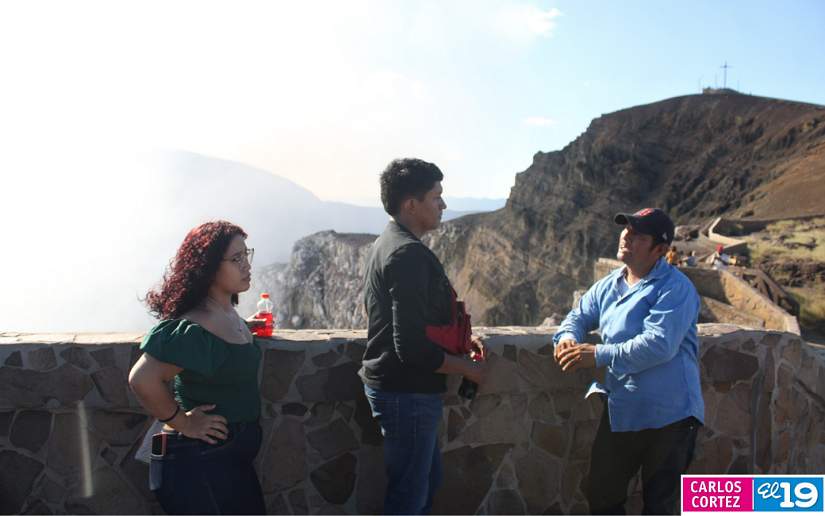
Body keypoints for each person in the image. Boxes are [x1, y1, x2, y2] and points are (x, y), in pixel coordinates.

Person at [553, 208, 704, 515]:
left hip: (670, 417)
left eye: (638, 235)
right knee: (602, 496)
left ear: (660, 250)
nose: (626, 237)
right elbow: (578, 316)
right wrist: (567, 337)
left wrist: (598, 354)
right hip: (623, 410)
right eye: (626, 230)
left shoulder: (676, 288)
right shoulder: (610, 284)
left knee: (659, 506)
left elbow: (658, 345)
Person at [360, 158, 487, 515]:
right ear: (411, 205)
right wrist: (467, 367)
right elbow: (411, 347)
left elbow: (398, 319)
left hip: (401, 391)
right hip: (407, 394)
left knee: (424, 485)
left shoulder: (387, 242)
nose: (443, 205)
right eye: (436, 197)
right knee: (409, 498)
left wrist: (461, 341)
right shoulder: (407, 254)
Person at [129, 221, 266, 515]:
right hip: (197, 467)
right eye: (236, 259)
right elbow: (142, 379)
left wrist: (244, 328)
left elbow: (222, 349)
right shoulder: (195, 328)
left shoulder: (226, 315)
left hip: (223, 463)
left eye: (246, 254)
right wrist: (185, 423)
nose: (246, 265)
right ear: (209, 267)